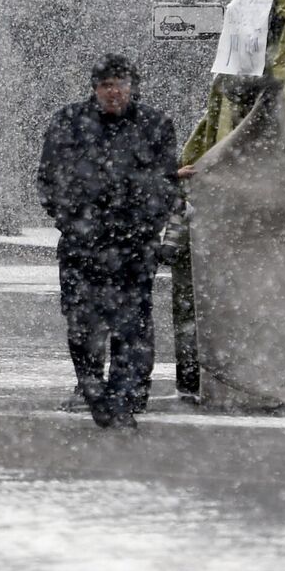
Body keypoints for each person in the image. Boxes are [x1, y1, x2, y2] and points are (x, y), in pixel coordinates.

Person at [36, 54, 183, 429]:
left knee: (131, 325)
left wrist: (144, 226)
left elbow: (167, 182)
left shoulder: (154, 125)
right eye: (106, 85)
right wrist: (74, 222)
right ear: (94, 88)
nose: (113, 92)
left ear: (132, 87)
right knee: (81, 323)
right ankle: (92, 387)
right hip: (82, 245)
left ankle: (124, 396)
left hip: (134, 246)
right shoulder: (69, 123)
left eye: (120, 84)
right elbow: (49, 179)